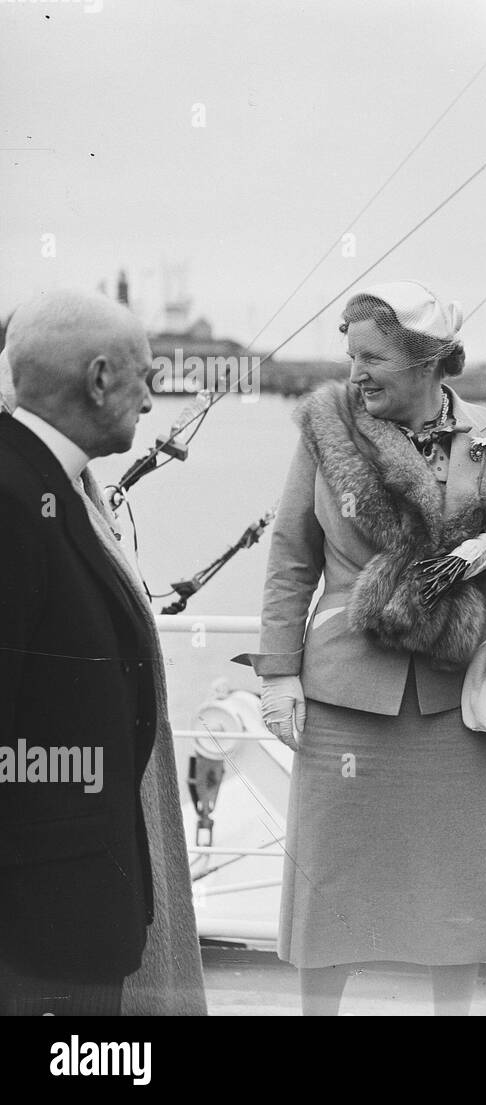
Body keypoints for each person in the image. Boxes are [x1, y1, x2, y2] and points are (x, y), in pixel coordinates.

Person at [240, 281, 486, 1015]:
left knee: (459, 889)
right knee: (335, 886)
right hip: (346, 694)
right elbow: (291, 553)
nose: (355, 375)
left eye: (372, 357)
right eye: (350, 357)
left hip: (460, 699)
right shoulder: (329, 431)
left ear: (427, 360)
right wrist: (278, 673)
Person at [0, 289, 204, 1016]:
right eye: (145, 377)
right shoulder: (15, 500)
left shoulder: (50, 485)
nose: (151, 400)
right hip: (37, 921)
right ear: (98, 379)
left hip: (67, 899)